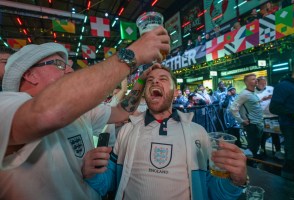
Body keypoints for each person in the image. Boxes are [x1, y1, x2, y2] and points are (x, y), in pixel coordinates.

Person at [0, 26, 170, 199]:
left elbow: (121, 111)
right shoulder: (5, 106)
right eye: (59, 64)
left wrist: (141, 79)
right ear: (30, 75)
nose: (69, 70)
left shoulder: (80, 113)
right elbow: (45, 114)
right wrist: (133, 54)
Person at [82, 64, 247, 200]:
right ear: (145, 93)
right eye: (150, 81)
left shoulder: (198, 133)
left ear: (176, 92)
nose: (155, 83)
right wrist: (92, 174)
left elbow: (213, 192)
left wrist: (236, 181)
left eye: (163, 79)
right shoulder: (127, 131)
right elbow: (109, 182)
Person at [270, 61, 294, 180]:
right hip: (290, 126)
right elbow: (274, 107)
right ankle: (286, 187)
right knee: (292, 156)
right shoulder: (283, 86)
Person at [230, 74, 264, 159]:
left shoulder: (253, 92)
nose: (256, 80)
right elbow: (233, 108)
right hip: (252, 124)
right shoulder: (244, 94)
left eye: (255, 79)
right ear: (247, 82)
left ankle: (254, 160)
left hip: (258, 123)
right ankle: (250, 165)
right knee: (252, 146)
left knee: (256, 145)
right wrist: (241, 120)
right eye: (253, 79)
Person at [255, 76, 283, 159]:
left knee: (275, 134)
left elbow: (279, 97)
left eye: (265, 83)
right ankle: (262, 149)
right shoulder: (254, 92)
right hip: (262, 116)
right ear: (257, 83)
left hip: (273, 116)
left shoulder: (271, 88)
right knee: (263, 134)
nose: (263, 85)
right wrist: (262, 100)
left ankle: (278, 151)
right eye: (261, 83)